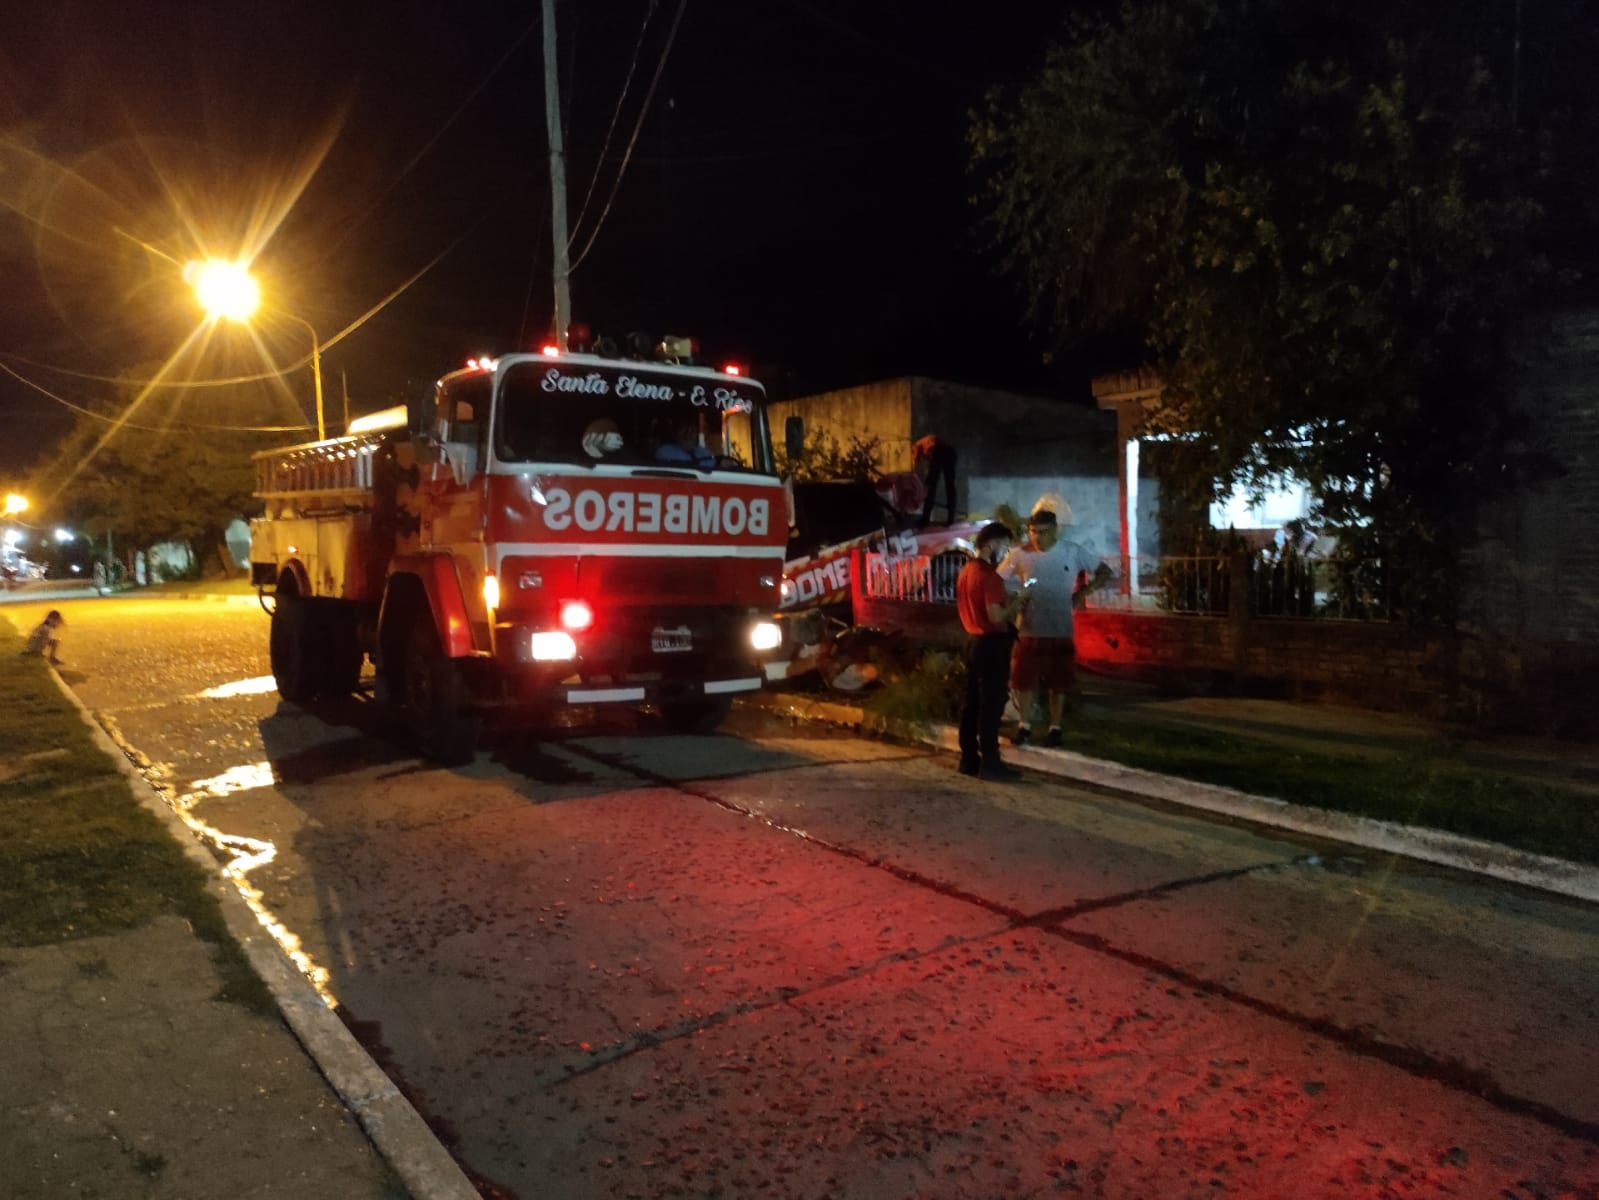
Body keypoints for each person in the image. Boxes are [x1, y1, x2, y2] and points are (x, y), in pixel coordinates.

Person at [997, 504, 1107, 748]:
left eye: (1043, 532)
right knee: (1023, 680)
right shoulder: (1019, 554)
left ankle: (1055, 728)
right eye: (1033, 531)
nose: (1037, 537)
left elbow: (1104, 571)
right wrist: (1013, 600)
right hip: (1029, 628)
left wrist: (1083, 592)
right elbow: (996, 580)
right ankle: (1024, 725)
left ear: (1055, 530)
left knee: (1059, 682)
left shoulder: (1072, 552)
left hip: (1060, 629)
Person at [956, 522, 1029, 781]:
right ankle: (990, 761)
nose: (1007, 553)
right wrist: (1019, 600)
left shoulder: (965, 571)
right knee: (991, 704)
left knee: (971, 702)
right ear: (991, 544)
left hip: (972, 642)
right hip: (991, 646)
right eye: (1005, 546)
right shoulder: (989, 577)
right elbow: (996, 615)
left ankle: (968, 758)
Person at [913, 434, 957, 527]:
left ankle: (925, 520)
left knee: (931, 486)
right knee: (950, 486)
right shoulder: (927, 444)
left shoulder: (922, 445)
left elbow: (921, 459)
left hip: (941, 451)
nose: (921, 459)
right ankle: (951, 519)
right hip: (951, 453)